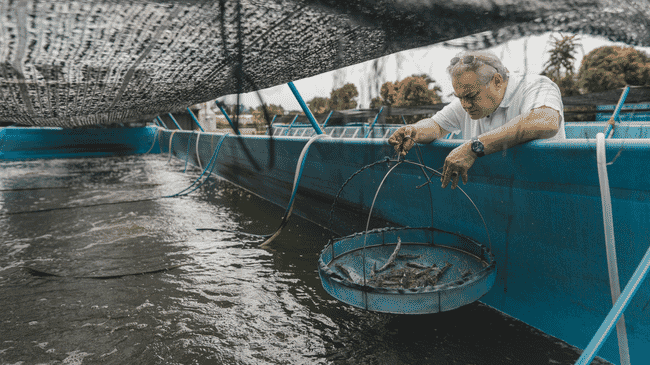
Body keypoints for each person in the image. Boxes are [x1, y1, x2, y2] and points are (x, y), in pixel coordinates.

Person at [388, 50, 565, 189]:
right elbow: (435, 125)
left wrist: (474, 147)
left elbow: (545, 120)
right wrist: (414, 131)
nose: (465, 104)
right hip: (502, 192)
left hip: (548, 189)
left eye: (471, 96)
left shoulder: (537, 86)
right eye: (459, 97)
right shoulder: (466, 102)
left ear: (496, 81)